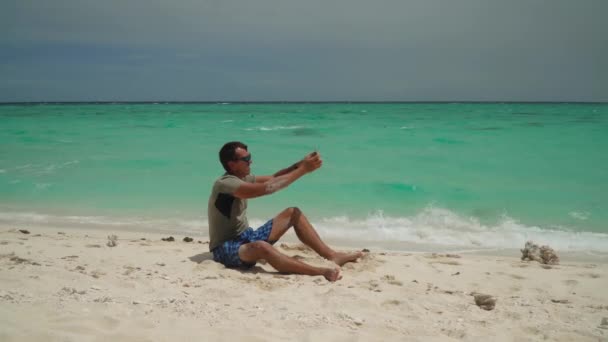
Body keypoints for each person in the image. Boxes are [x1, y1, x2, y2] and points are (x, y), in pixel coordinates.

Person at [207, 141, 362, 282]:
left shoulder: (243, 177)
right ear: (232, 165)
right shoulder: (225, 184)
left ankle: (332, 256)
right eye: (246, 159)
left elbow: (274, 177)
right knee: (261, 246)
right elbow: (266, 188)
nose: (251, 162)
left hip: (246, 237)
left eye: (250, 157)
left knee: (292, 212)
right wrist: (302, 170)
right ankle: (320, 272)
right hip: (225, 248)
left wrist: (300, 163)